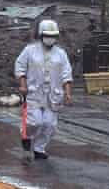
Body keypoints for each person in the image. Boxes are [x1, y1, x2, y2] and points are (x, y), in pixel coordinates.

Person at [14, 19, 73, 160]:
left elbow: (66, 73)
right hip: (34, 93)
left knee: (49, 124)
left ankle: (39, 148)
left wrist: (68, 92)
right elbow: (20, 66)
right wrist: (22, 84)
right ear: (40, 35)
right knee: (35, 122)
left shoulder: (61, 54)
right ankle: (26, 136)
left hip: (53, 95)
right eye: (47, 35)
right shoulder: (29, 51)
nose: (50, 38)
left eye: (53, 35)